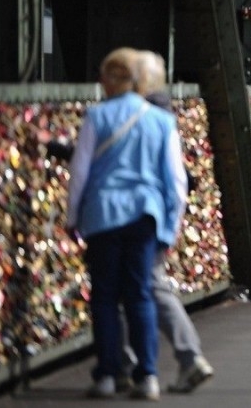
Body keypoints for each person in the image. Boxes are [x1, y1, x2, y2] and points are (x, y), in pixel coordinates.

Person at [66, 48, 188, 399]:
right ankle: (147, 375)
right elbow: (175, 182)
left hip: (102, 216)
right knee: (140, 295)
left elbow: (80, 173)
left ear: (109, 80)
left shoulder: (96, 116)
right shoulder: (161, 121)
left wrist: (72, 217)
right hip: (144, 217)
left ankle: (107, 374)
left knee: (104, 297)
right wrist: (170, 228)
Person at [131, 51, 215, 393]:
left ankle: (182, 358)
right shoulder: (161, 111)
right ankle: (131, 365)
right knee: (139, 286)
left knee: (147, 286)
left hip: (135, 214)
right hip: (153, 214)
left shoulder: (140, 113)